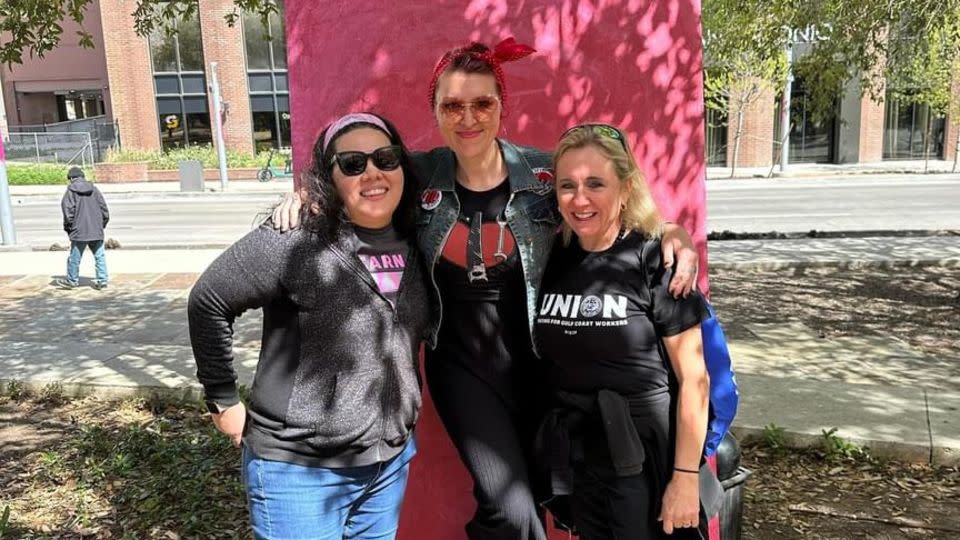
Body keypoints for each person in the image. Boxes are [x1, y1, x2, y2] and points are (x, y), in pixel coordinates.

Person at [272, 39, 700, 540]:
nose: (468, 117)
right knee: (516, 513)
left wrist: (674, 233)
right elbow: (359, 174)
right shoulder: (419, 173)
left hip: (542, 366)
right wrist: (305, 193)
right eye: (452, 105)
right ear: (436, 110)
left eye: (482, 103)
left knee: (536, 501)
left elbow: (613, 197)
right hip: (462, 368)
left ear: (501, 106)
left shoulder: (544, 173)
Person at [188, 113, 438, 540]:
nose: (373, 172)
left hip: (388, 465)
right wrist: (223, 401)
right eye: (353, 164)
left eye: (385, 158)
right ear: (328, 177)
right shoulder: (297, 238)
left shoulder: (421, 235)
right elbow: (208, 300)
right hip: (299, 472)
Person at [534, 123, 716, 539]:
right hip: (584, 457)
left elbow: (694, 379)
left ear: (625, 187)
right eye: (567, 185)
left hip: (648, 459)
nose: (580, 199)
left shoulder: (658, 259)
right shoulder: (553, 259)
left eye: (596, 183)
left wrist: (685, 478)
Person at [57, 166, 109, 290]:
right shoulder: (94, 190)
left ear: (70, 178)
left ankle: (72, 280)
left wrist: (69, 228)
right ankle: (102, 280)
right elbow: (104, 209)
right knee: (99, 256)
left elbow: (67, 212)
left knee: (75, 257)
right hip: (96, 229)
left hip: (79, 230)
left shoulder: (70, 191)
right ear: (83, 176)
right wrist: (102, 225)